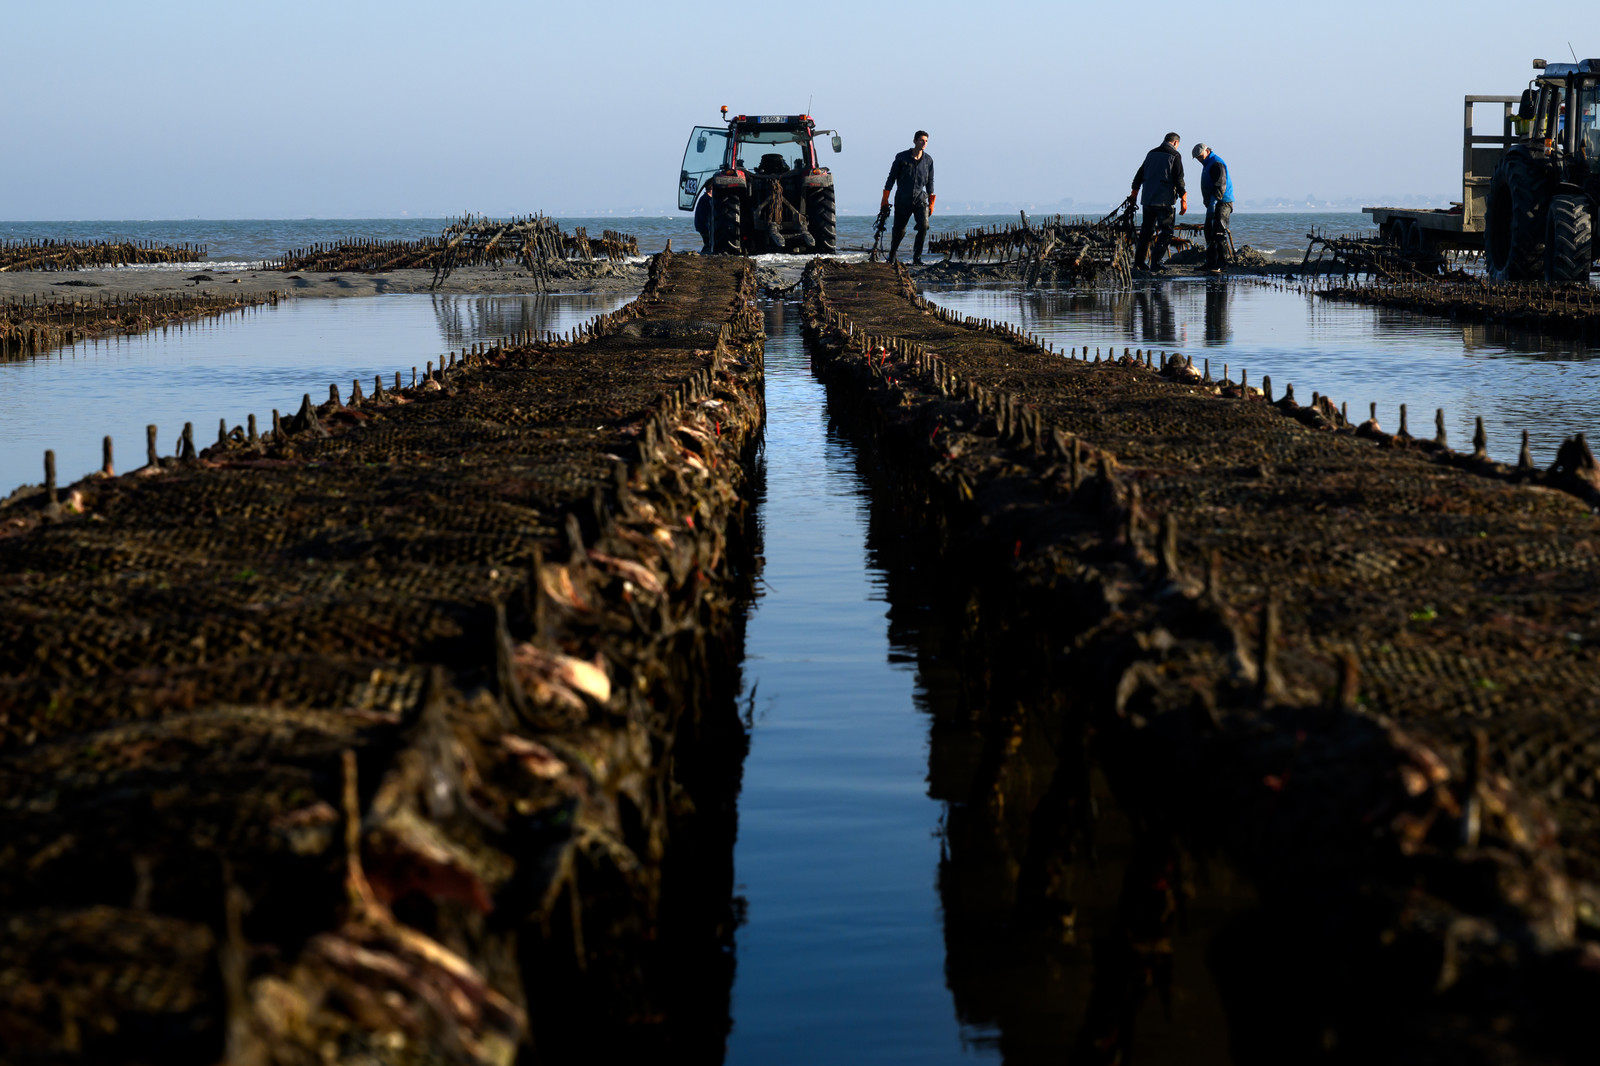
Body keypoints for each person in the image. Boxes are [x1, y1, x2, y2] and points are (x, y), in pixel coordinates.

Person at [1130, 132, 1187, 272]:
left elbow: (1139, 175)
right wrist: (1183, 199)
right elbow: (1179, 179)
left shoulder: (1151, 153)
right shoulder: (1175, 155)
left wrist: (1134, 195)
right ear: (1175, 143)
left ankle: (1139, 263)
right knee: (1166, 231)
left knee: (1146, 232)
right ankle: (1155, 262)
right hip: (1164, 200)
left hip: (1148, 199)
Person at [882, 130, 936, 264]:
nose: (924, 143)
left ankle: (917, 258)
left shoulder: (928, 160)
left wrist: (931, 202)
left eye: (926, 141)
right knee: (899, 230)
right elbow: (891, 178)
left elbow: (930, 182)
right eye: (921, 140)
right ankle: (892, 256)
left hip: (920, 199)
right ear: (915, 141)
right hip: (903, 198)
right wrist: (885, 198)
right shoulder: (901, 157)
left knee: (924, 226)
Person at [1192, 143, 1234, 272]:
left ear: (1207, 151)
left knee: (1219, 231)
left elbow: (1220, 184)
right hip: (1212, 203)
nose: (1199, 159)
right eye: (1197, 158)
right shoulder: (1207, 164)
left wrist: (1214, 202)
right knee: (1208, 231)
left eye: (1200, 156)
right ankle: (1210, 262)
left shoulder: (1216, 163)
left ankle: (1222, 263)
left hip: (1222, 202)